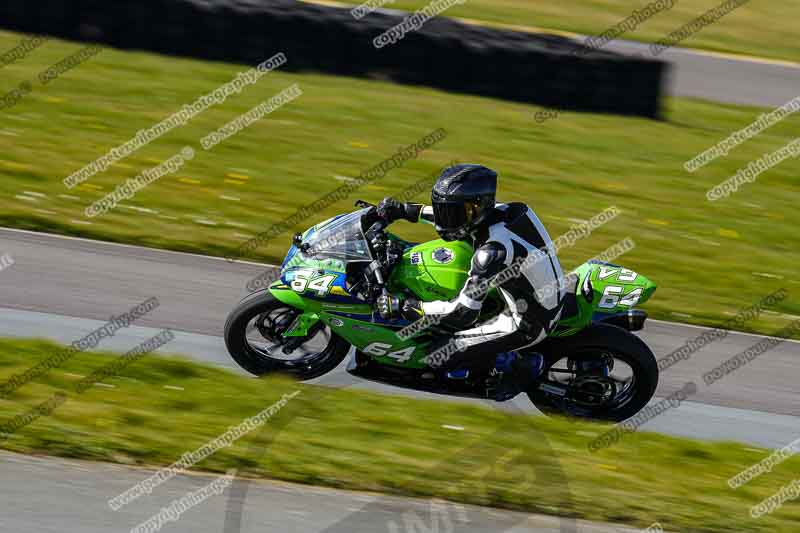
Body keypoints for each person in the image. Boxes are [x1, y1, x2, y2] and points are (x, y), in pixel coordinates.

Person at [374, 164, 567, 399]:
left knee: (438, 354)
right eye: (444, 211)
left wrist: (408, 307)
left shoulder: (491, 252)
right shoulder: (510, 211)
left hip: (527, 321)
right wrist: (403, 210)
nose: (445, 221)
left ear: (478, 206)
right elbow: (461, 217)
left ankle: (520, 367)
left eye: (453, 213)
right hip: (538, 288)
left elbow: (462, 314)